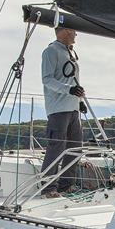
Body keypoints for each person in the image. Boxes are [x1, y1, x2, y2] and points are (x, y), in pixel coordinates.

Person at [40, 27, 85, 197]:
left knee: (75, 148)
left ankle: (66, 185)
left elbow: (71, 80)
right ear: (65, 31)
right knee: (56, 148)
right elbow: (47, 79)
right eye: (74, 30)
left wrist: (79, 101)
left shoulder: (69, 53)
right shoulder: (51, 51)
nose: (76, 33)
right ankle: (48, 188)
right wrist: (69, 90)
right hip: (58, 109)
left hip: (73, 109)